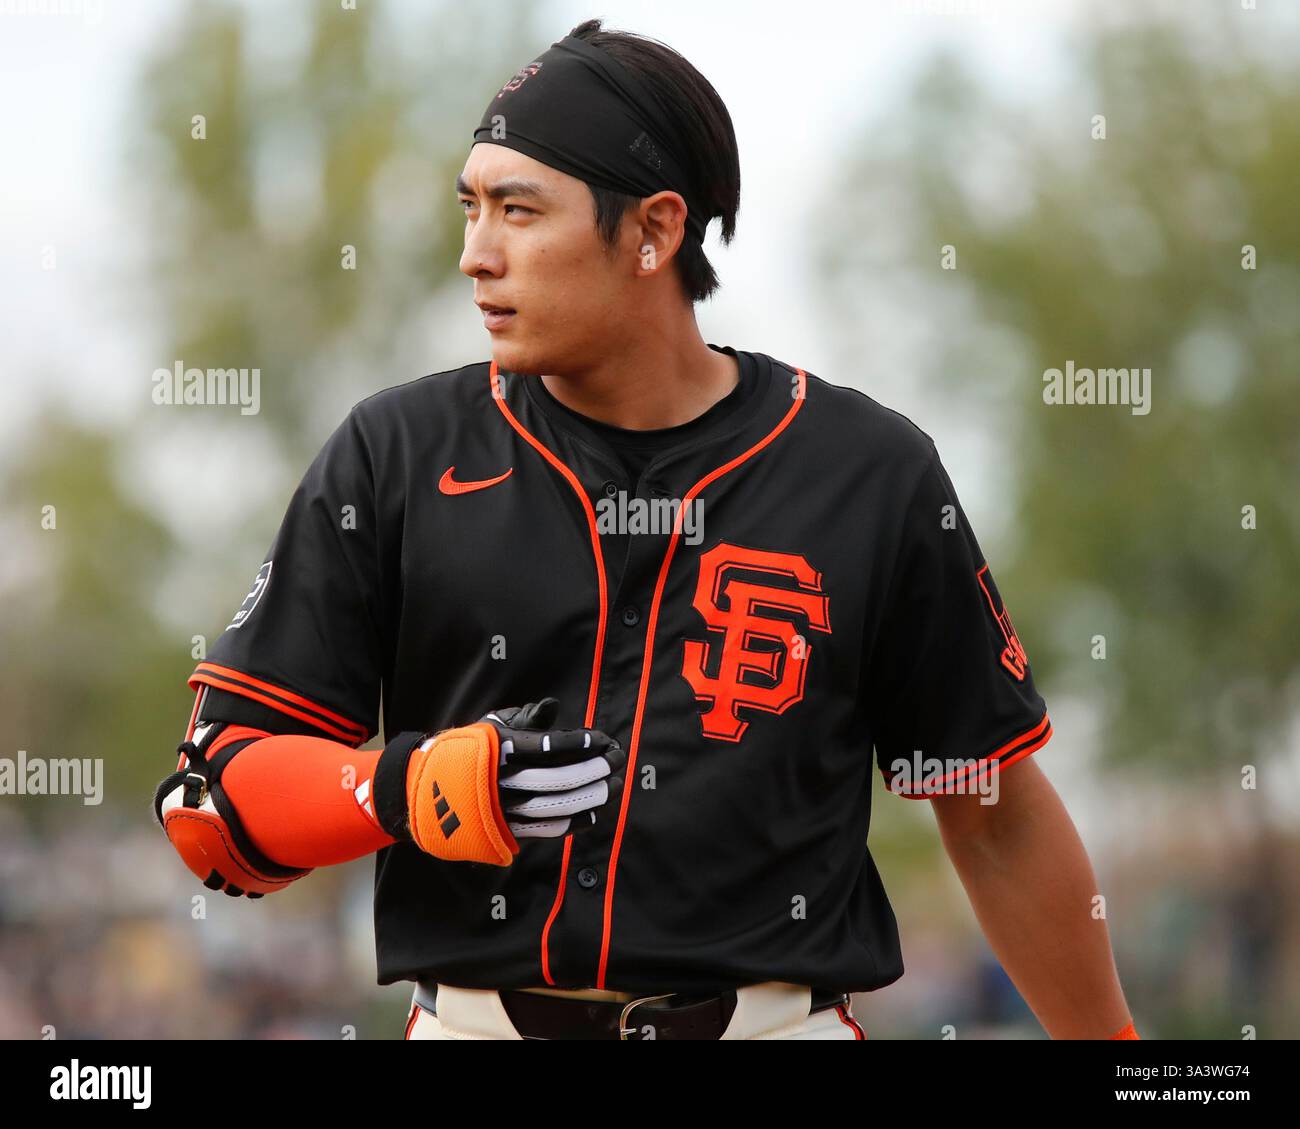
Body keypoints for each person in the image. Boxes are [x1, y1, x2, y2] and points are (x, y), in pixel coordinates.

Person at [155, 17, 1138, 1042]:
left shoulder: (868, 472)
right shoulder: (397, 451)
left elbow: (991, 812)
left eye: (517, 210)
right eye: (470, 207)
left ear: (654, 232)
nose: (473, 254)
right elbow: (210, 803)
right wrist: (407, 782)